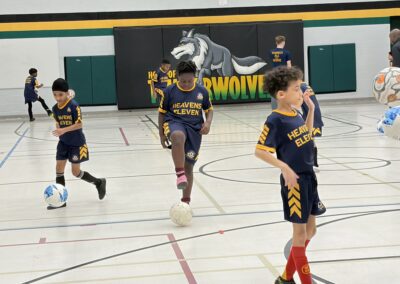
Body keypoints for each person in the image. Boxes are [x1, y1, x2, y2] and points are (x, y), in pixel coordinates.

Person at [254, 66, 326, 284]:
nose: (301, 92)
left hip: (309, 178)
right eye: (296, 89)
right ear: (281, 95)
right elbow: (259, 151)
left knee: (311, 231)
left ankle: (286, 277)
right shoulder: (275, 120)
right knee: (299, 234)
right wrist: (284, 168)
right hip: (294, 184)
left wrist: (310, 111)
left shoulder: (296, 112)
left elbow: (306, 135)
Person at [158, 61, 213, 204]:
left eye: (190, 81)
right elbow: (161, 113)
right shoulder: (169, 91)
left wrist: (207, 123)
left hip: (195, 129)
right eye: (183, 81)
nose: (187, 84)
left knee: (189, 165)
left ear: (195, 78)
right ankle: (179, 174)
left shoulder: (202, 92)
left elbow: (209, 110)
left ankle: (185, 202)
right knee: (177, 136)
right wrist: (161, 134)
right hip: (174, 122)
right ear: (177, 78)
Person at [50, 78, 106, 210]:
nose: (57, 98)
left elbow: (80, 124)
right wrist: (59, 129)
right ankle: (61, 201)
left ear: (66, 93)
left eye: (60, 95)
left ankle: (98, 182)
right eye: (54, 95)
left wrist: (63, 130)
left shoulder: (74, 105)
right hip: (63, 143)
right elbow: (58, 122)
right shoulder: (54, 108)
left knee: (75, 172)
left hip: (77, 143)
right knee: (59, 169)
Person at [300, 82, 324, 169]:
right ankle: (312, 163)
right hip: (312, 114)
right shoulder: (305, 85)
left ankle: (312, 164)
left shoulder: (300, 87)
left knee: (309, 140)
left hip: (312, 116)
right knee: (309, 140)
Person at [269, 36, 292, 110]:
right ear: (283, 42)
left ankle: (274, 110)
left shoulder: (271, 52)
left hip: (274, 75)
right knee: (285, 92)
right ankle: (285, 109)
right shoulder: (286, 52)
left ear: (276, 42)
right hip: (283, 75)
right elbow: (289, 65)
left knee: (274, 92)